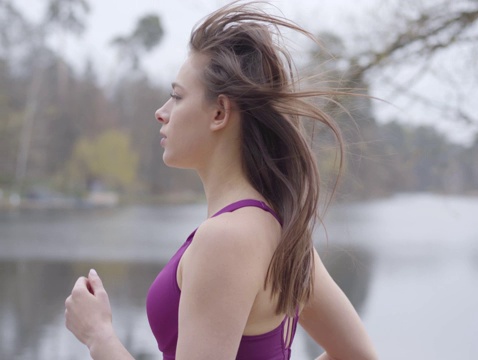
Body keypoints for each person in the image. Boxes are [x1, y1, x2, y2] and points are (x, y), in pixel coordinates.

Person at [64, 2, 378, 359]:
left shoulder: (226, 239)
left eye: (177, 97)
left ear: (219, 113)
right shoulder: (284, 232)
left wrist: (99, 337)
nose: (161, 112)